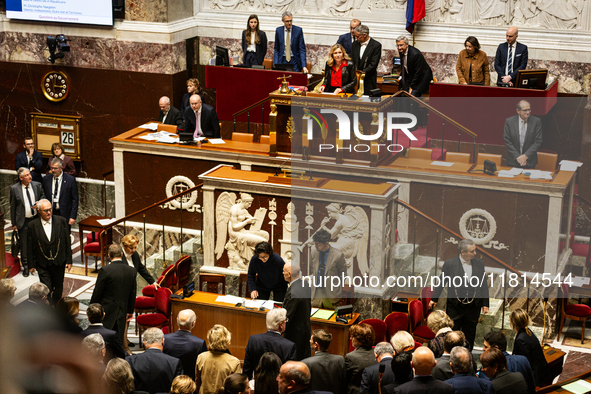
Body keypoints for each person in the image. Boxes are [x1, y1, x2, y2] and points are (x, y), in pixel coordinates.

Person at [429, 239, 489, 351]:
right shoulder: (450, 264)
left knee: (470, 335)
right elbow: (442, 282)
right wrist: (434, 299)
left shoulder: (479, 263)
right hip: (455, 306)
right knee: (452, 334)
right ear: (463, 252)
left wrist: (485, 303)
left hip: (473, 307)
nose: (475, 253)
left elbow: (483, 284)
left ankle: (468, 358)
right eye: (472, 251)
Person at [27, 199, 72, 305]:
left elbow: (66, 241)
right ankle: (49, 308)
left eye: (50, 209)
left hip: (59, 261)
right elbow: (29, 246)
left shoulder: (61, 221)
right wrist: (30, 264)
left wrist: (69, 260)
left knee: (58, 286)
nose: (49, 212)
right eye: (45, 210)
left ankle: (56, 306)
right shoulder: (33, 225)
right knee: (46, 288)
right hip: (42, 263)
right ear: (39, 211)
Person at [90, 244, 137, 344]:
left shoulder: (105, 270)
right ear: (121, 254)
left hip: (106, 311)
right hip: (122, 309)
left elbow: (98, 291)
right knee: (117, 339)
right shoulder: (131, 271)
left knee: (104, 339)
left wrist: (92, 307)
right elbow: (133, 293)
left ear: (109, 256)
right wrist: (130, 310)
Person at [243, 308, 296, 379]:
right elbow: (289, 373)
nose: (286, 322)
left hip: (258, 383)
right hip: (278, 386)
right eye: (285, 320)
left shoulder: (253, 340)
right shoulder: (289, 346)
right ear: (281, 325)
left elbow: (247, 367)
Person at [126, 328, 183, 394]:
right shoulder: (174, 363)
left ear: (144, 343)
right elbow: (179, 389)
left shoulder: (130, 361)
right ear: (163, 341)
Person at [10, 167, 44, 276]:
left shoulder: (37, 185)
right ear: (20, 178)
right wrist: (14, 223)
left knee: (36, 243)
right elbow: (13, 207)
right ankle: (25, 266)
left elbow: (43, 197)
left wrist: (39, 203)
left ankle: (35, 264)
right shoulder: (14, 189)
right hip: (23, 221)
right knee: (24, 245)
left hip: (35, 219)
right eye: (26, 175)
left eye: (29, 174)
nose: (30, 176)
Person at [481, 330, 535, 394]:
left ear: (496, 348)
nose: (483, 349)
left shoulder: (487, 368)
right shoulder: (523, 360)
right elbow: (532, 388)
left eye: (486, 347)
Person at [510, 309, 551, 387]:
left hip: (536, 377)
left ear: (512, 322)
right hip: (542, 371)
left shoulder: (520, 339)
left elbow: (524, 362)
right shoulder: (527, 331)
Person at [195, 324, 241, 394]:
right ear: (227, 339)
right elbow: (236, 388)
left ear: (210, 339)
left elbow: (197, 382)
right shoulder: (234, 362)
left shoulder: (201, 357)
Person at [163, 309, 208, 380]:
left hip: (168, 380)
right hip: (189, 382)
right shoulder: (200, 343)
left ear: (177, 321)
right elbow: (203, 366)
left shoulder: (164, 339)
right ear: (193, 323)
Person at [309, 229, 347, 308]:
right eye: (315, 244)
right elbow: (312, 268)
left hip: (331, 294)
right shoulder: (313, 251)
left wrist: (335, 287)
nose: (315, 246)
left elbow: (343, 275)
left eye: (318, 244)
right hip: (316, 292)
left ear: (326, 243)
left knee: (332, 318)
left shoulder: (338, 255)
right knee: (314, 318)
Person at [282, 261, 312, 361]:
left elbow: (287, 316)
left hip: (294, 334)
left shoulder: (293, 292)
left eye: (284, 271)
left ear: (289, 274)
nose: (282, 273)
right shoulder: (305, 284)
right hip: (305, 329)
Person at [302, 329, 346, 394]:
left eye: (311, 340)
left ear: (316, 345)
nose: (309, 341)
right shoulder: (340, 360)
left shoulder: (305, 363)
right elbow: (344, 384)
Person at [42, 157, 78, 230]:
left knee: (64, 237)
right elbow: (43, 195)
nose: (53, 170)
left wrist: (72, 216)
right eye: (51, 168)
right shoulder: (46, 179)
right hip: (50, 213)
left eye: (55, 168)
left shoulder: (70, 180)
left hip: (64, 214)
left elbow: (75, 199)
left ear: (61, 168)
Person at [504, 100, 542, 168]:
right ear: (518, 111)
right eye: (525, 110)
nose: (528, 112)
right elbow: (507, 141)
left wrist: (525, 156)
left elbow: (537, 141)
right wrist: (518, 157)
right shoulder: (509, 121)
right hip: (513, 161)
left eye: (529, 109)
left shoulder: (536, 121)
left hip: (529, 162)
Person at [345, 323, 376, 394]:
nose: (350, 338)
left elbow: (345, 379)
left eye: (352, 336)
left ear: (359, 339)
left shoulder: (350, 357)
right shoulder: (377, 353)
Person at [351, 25, 381, 93]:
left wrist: (363, 72)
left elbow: (374, 63)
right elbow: (352, 59)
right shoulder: (355, 44)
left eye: (358, 36)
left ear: (364, 35)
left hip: (368, 79)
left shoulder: (376, 45)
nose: (356, 38)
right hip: (355, 78)